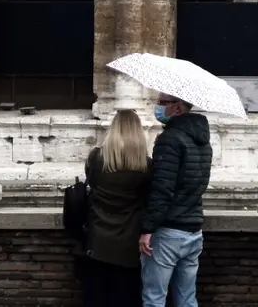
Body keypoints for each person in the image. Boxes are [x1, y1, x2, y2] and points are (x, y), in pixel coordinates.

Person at [139, 93, 213, 307]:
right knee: (187, 298)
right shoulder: (203, 140)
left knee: (154, 298)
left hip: (168, 231)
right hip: (193, 229)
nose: (158, 107)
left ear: (178, 108)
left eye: (163, 103)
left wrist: (148, 229)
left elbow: (162, 189)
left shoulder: (170, 139)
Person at [82, 109, 153, 307]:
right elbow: (147, 198)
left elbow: (90, 183)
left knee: (97, 296)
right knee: (125, 296)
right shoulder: (146, 166)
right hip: (129, 241)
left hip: (98, 239)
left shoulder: (96, 158)